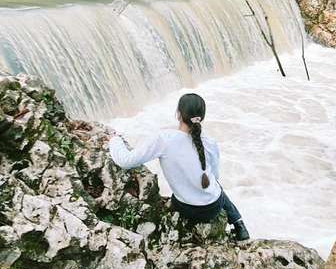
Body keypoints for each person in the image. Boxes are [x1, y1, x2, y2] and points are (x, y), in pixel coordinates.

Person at [106, 93, 250, 241]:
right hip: (212, 209)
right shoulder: (209, 142)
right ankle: (239, 224)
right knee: (215, 185)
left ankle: (238, 222)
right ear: (201, 117)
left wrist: (115, 140)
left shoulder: (164, 139)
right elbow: (215, 176)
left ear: (179, 114)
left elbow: (125, 161)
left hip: (185, 208)